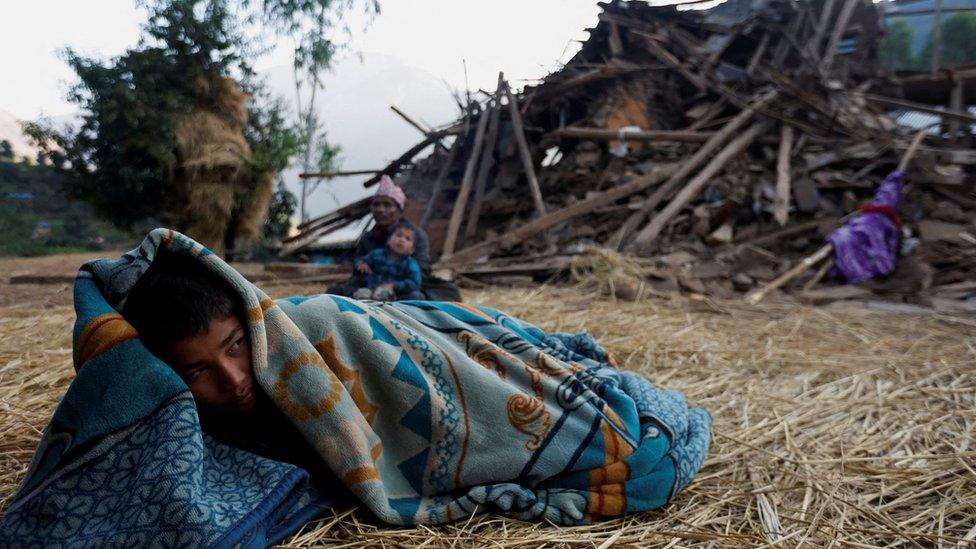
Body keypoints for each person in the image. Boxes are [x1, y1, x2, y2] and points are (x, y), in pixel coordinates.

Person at [327, 175, 461, 301]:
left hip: (404, 287)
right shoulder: (368, 238)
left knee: (441, 294)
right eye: (376, 205)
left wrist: (394, 284)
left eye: (387, 205)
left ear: (399, 210)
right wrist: (363, 271)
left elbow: (422, 272)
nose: (380, 209)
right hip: (371, 286)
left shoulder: (415, 235)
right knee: (335, 290)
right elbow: (359, 268)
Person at [350, 224, 423, 301]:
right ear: (388, 241)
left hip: (398, 295)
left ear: (412, 250)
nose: (402, 240)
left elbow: (414, 283)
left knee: (417, 296)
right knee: (360, 294)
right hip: (372, 289)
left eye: (407, 239)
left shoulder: (411, 263)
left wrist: (394, 285)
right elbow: (360, 260)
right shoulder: (376, 254)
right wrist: (361, 264)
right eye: (399, 235)